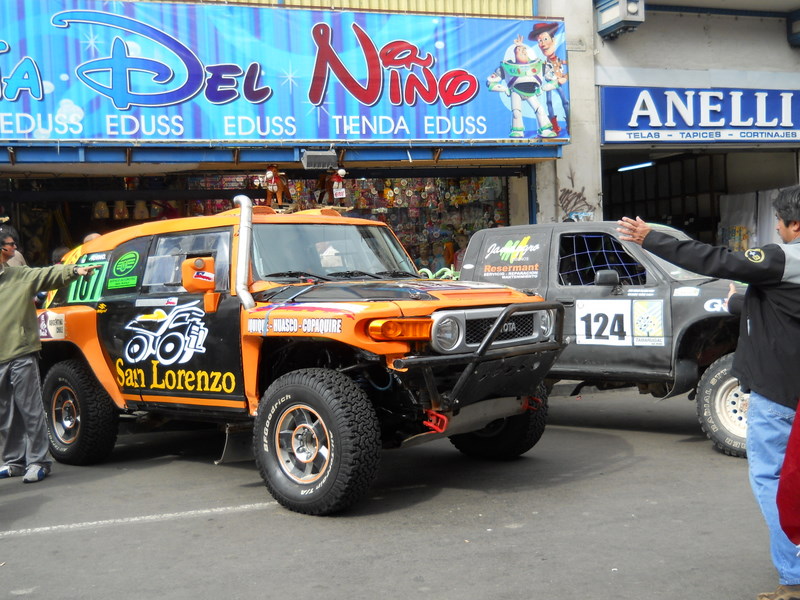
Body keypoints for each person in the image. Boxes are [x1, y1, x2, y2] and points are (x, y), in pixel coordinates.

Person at [617, 185, 800, 600]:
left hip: (778, 396)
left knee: (773, 481)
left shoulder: (783, 258)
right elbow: (783, 308)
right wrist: (741, 303)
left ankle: (794, 576)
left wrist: (652, 238)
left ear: (795, 224)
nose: (776, 228)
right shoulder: (781, 281)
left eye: (780, 222)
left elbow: (719, 259)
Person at [0, 225, 99, 483]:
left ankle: (39, 461)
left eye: (12, 245)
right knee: (5, 412)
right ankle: (14, 461)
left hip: (21, 352)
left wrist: (75, 270)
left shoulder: (19, 275)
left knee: (30, 409)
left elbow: (49, 273)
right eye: (10, 245)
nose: (13, 249)